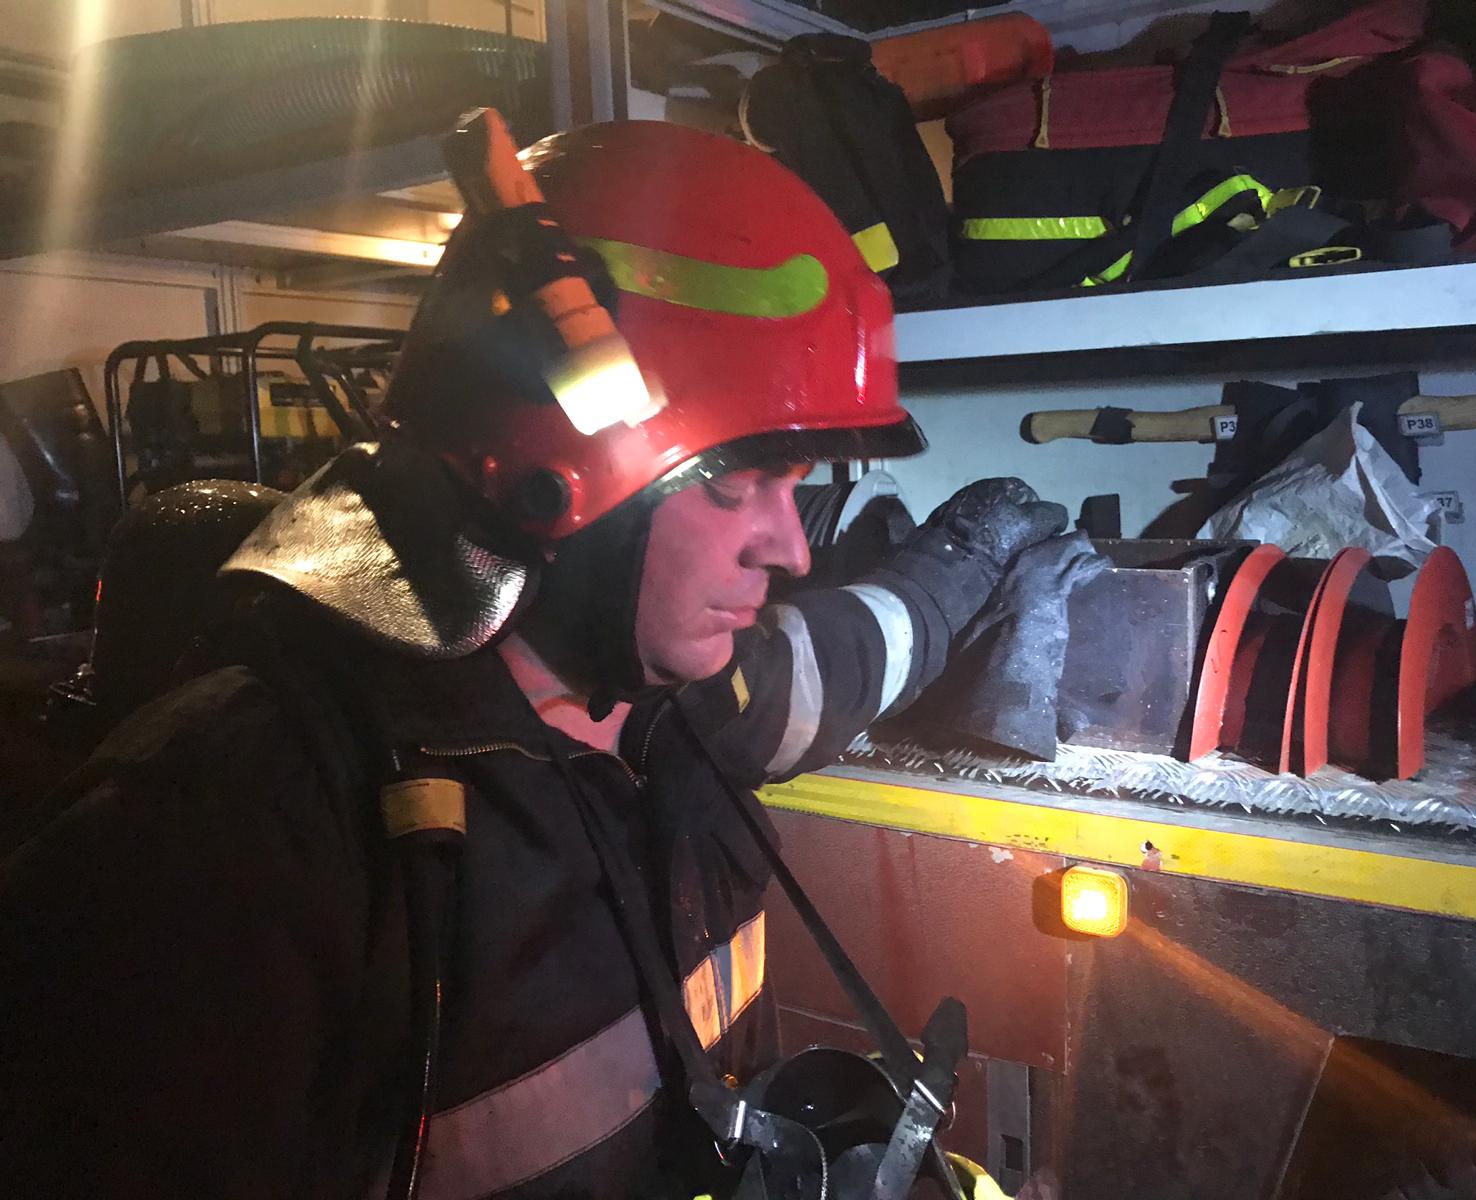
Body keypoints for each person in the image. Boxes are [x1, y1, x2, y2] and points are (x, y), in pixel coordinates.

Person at [0, 121, 1068, 1199]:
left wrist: (966, 556)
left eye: (794, 489)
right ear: (558, 481)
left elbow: (846, 658)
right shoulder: (225, 838)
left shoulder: (681, 700)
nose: (790, 551)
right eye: (734, 484)